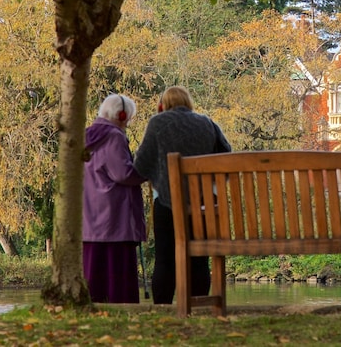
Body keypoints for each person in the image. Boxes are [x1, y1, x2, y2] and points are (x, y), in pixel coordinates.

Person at [133, 86, 231, 304]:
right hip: (203, 205)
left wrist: (157, 173)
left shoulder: (157, 123)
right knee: (199, 258)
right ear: (188, 103)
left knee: (165, 259)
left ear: (163, 105)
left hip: (167, 205)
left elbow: (140, 165)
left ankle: (163, 306)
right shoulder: (206, 122)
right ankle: (198, 304)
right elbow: (226, 156)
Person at [82, 94, 147, 303]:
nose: (128, 122)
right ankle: (123, 309)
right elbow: (123, 174)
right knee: (118, 272)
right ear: (121, 115)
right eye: (128, 118)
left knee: (94, 271)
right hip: (115, 216)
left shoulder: (86, 135)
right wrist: (146, 171)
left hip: (90, 216)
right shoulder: (114, 136)